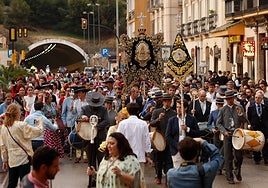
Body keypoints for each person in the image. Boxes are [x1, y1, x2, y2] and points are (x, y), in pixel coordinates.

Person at [0, 103, 42, 188]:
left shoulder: (4, 127)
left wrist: (4, 160)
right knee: (25, 182)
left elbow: (3, 146)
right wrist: (40, 123)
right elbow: (37, 131)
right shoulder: (21, 125)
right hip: (23, 158)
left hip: (12, 159)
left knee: (12, 182)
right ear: (17, 113)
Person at [79, 91, 110, 187]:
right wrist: (83, 117)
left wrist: (96, 127)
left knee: (101, 159)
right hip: (88, 138)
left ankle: (101, 178)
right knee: (90, 160)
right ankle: (92, 179)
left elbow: (107, 121)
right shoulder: (84, 109)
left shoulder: (103, 110)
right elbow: (79, 117)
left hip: (100, 138)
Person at [216, 90, 246, 184]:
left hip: (237, 134)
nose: (230, 100)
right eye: (228, 99)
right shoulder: (223, 109)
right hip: (227, 134)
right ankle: (229, 177)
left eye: (231, 98)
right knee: (228, 156)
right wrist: (224, 131)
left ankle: (237, 170)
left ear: (234, 98)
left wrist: (240, 114)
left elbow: (245, 120)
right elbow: (218, 123)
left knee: (239, 156)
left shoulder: (239, 107)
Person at [117, 102, 151, 184]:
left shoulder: (122, 124)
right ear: (138, 111)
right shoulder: (143, 124)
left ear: (127, 111)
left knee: (125, 180)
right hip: (139, 156)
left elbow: (118, 139)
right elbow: (147, 140)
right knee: (139, 180)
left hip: (125, 156)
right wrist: (148, 154)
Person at [149, 93, 176, 185]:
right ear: (163, 102)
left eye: (168, 101)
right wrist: (158, 119)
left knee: (169, 160)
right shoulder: (157, 112)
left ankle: (168, 178)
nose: (167, 103)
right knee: (158, 160)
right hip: (159, 140)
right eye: (165, 101)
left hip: (169, 140)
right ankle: (158, 176)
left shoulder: (174, 113)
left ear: (171, 102)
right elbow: (152, 123)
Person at [166, 99, 200, 168]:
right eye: (177, 107)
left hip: (189, 151)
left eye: (180, 107)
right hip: (176, 151)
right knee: (177, 170)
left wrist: (187, 129)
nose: (178, 109)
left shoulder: (192, 119)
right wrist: (177, 146)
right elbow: (168, 136)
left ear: (185, 108)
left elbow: (197, 133)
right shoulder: (172, 120)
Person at [247, 91, 268, 165]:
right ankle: (257, 158)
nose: (257, 99)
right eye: (256, 97)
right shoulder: (251, 108)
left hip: (264, 128)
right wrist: (250, 125)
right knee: (256, 143)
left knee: (265, 143)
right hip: (255, 128)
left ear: (261, 99)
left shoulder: (265, 107)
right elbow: (249, 118)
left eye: (259, 98)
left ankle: (266, 158)